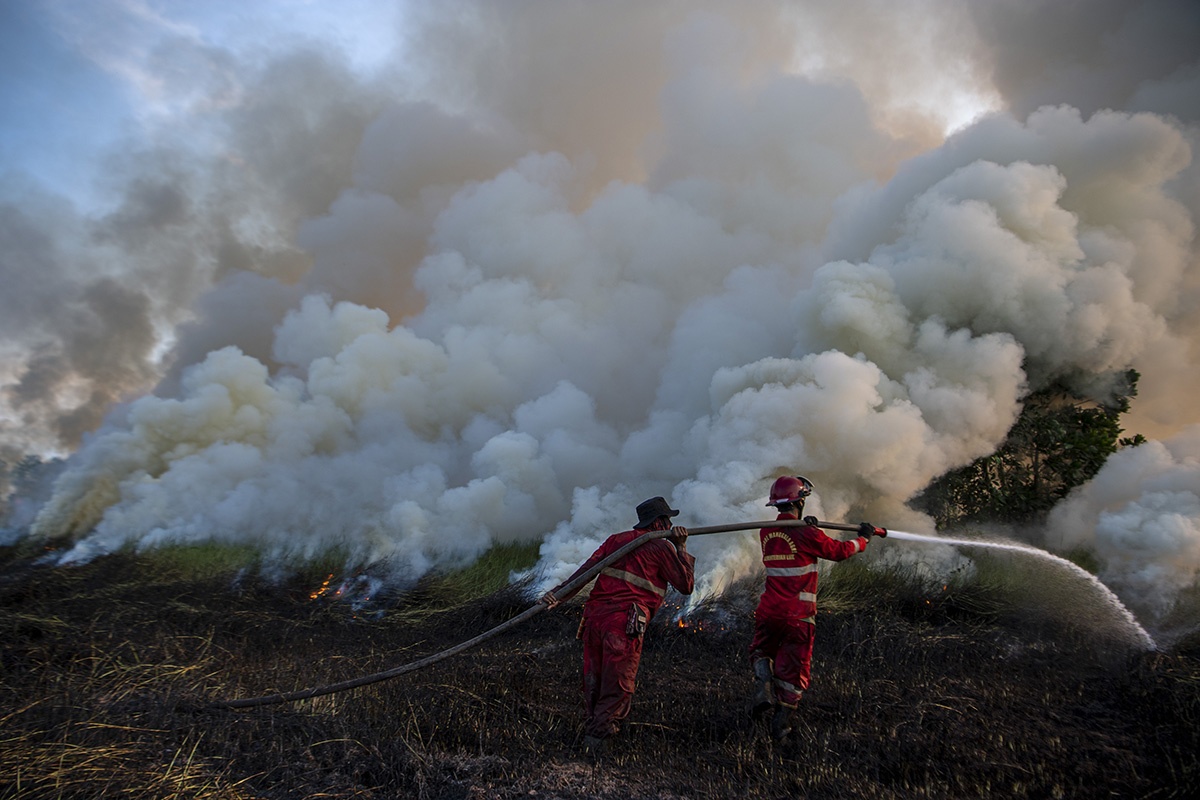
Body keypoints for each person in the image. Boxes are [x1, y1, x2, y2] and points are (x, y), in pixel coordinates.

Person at [541, 496, 695, 752]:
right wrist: (680, 547)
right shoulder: (661, 547)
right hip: (623, 623)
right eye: (668, 519)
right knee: (618, 683)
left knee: (595, 680)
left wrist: (558, 594)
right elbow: (685, 585)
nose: (669, 524)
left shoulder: (616, 540)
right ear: (659, 522)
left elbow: (586, 570)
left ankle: (593, 732)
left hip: (594, 619)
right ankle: (598, 747)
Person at [750, 475, 883, 740]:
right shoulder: (807, 533)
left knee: (761, 651)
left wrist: (808, 526)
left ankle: (763, 686)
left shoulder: (766, 530)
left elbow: (793, 534)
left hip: (768, 609)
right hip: (798, 614)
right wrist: (863, 539)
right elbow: (838, 551)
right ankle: (782, 724)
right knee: (793, 668)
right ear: (801, 500)